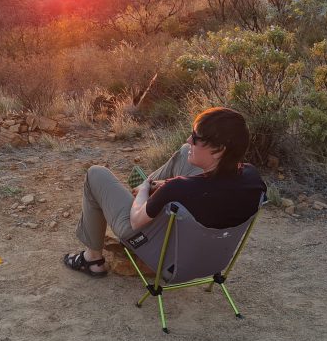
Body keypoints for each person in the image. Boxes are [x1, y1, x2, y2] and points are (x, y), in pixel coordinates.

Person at [63, 106, 266, 277]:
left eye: (196, 138)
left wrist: (144, 190)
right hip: (211, 263)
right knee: (185, 153)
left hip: (165, 258)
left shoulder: (178, 188)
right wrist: (166, 186)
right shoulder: (252, 177)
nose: (188, 139)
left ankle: (92, 260)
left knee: (95, 174)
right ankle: (150, 194)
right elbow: (207, 187)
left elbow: (135, 221)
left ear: (219, 149)